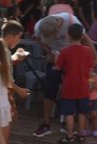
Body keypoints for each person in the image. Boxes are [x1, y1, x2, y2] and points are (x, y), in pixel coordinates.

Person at [31, 8, 88, 136]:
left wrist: (94, 55)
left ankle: (66, 123)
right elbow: (38, 39)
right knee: (50, 88)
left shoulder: (72, 21)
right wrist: (49, 52)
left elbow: (85, 38)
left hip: (71, 59)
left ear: (57, 29)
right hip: (54, 58)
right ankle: (46, 123)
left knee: (69, 89)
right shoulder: (39, 26)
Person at [54, 23, 96, 144]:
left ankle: (69, 135)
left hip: (69, 86)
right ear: (82, 36)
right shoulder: (87, 51)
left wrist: (56, 58)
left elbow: (58, 67)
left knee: (69, 113)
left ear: (68, 35)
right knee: (82, 112)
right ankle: (81, 133)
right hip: (83, 86)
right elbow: (90, 69)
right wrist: (91, 82)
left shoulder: (65, 51)